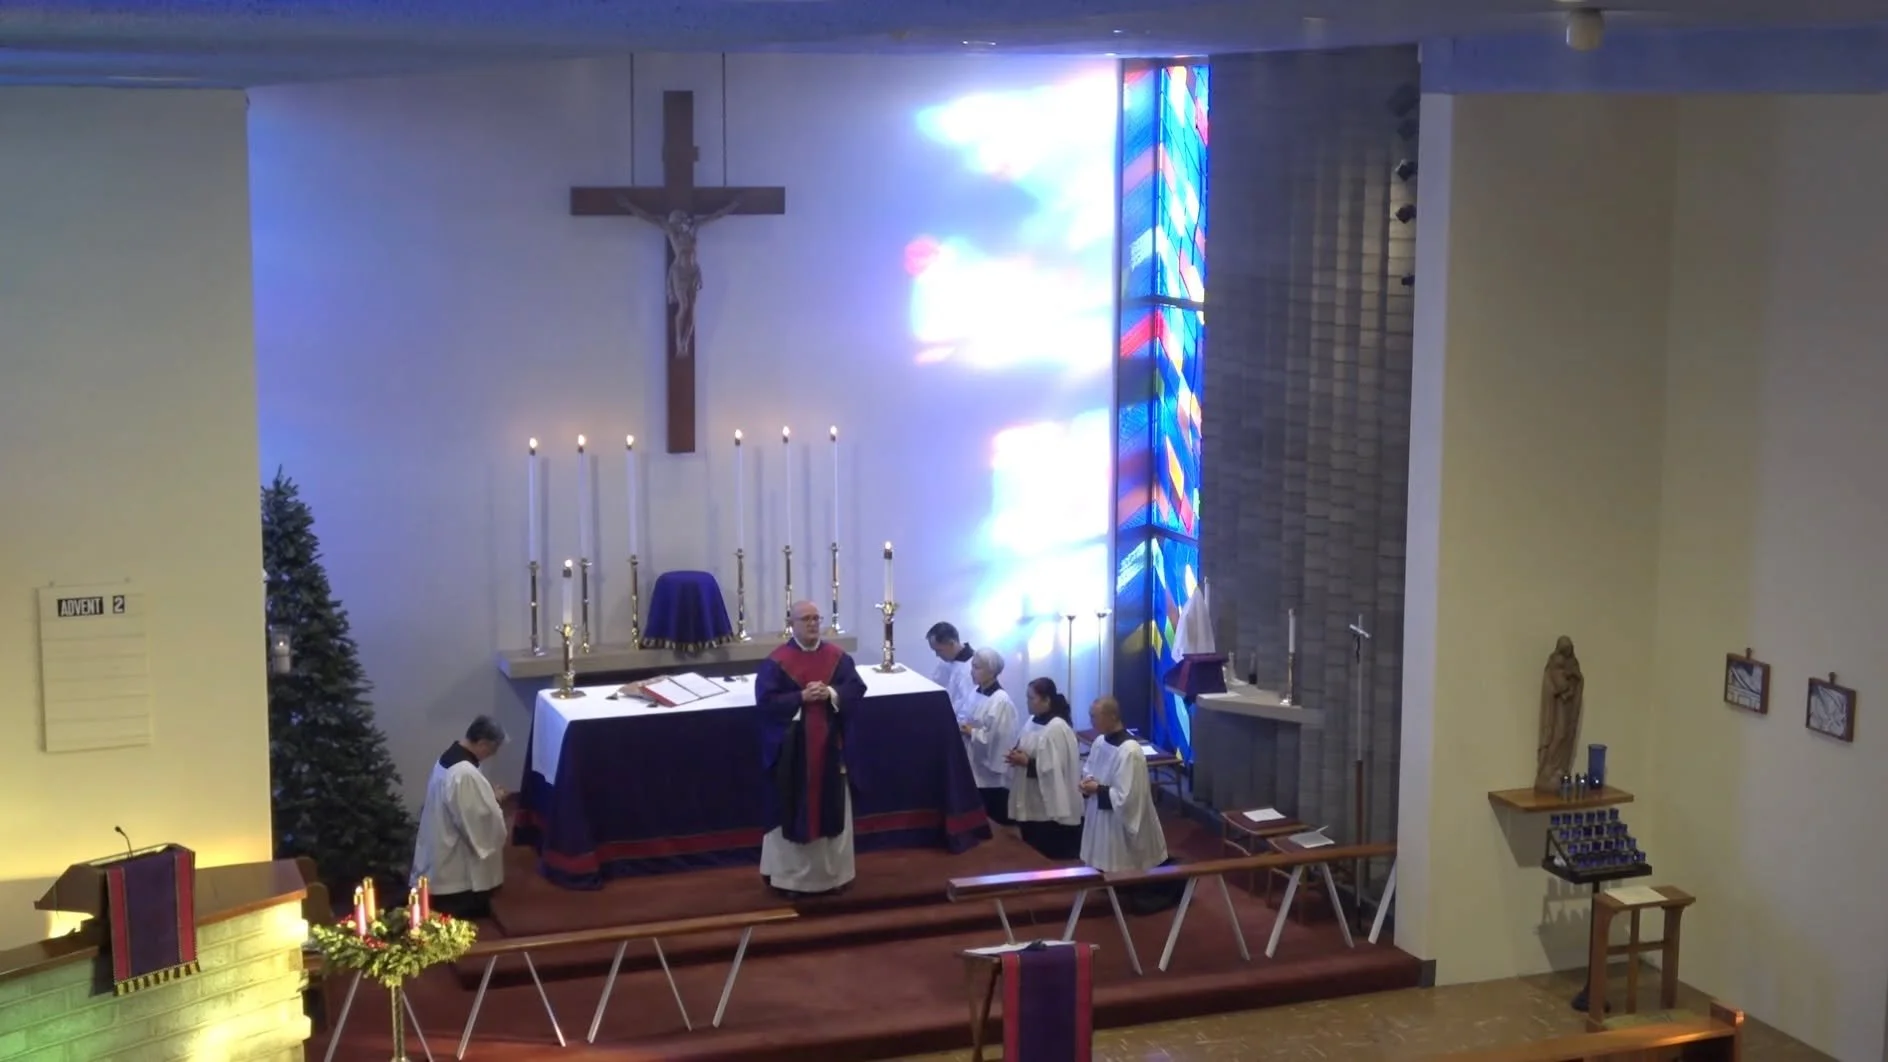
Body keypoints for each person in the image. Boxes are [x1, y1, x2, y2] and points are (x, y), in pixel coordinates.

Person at [756, 599, 869, 898]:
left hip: (832, 749)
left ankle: (835, 876)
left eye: (816, 618)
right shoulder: (776, 662)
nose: (812, 624)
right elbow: (766, 704)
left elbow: (856, 689)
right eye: (805, 619)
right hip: (793, 755)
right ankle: (791, 880)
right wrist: (800, 698)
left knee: (833, 807)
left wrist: (831, 692)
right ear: (791, 624)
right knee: (793, 808)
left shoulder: (838, 658)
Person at [1079, 696, 1184, 914]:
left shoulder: (1130, 751)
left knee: (1133, 864)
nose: (1091, 721)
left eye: (1094, 716)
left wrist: (1098, 789)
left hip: (1122, 817)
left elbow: (1128, 797)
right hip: (1103, 812)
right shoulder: (1100, 742)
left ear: (1112, 717)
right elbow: (1090, 768)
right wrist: (1087, 781)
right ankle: (1115, 882)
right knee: (1111, 859)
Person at [410, 715, 510, 920]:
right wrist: (495, 799)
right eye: (493, 749)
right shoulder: (464, 772)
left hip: (439, 842)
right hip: (453, 866)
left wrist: (487, 796)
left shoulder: (450, 757)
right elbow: (477, 818)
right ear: (483, 743)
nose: (492, 754)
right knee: (462, 906)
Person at [1004, 677, 1084, 859]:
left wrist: (1027, 762)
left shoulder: (1057, 728)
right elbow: (1024, 744)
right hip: (1030, 797)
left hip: (1049, 808)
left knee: (1047, 854)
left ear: (1046, 700)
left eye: (1031, 698)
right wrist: (1016, 754)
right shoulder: (1032, 721)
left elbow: (1057, 768)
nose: (1027, 702)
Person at [960, 647, 1019, 827]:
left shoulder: (1000, 701)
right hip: (972, 764)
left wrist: (972, 732)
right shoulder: (975, 692)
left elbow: (999, 738)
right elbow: (964, 715)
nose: (972, 671)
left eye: (977, 667)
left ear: (992, 671)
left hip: (989, 775)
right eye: (972, 666)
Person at [925, 621, 978, 723]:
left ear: (952, 643)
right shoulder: (946, 661)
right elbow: (935, 686)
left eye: (939, 650)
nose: (937, 655)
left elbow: (967, 706)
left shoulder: (972, 667)